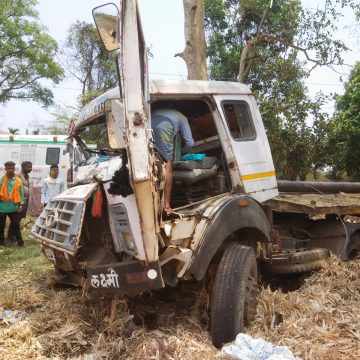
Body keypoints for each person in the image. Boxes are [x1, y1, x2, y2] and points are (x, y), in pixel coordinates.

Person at [151, 108, 194, 215]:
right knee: (168, 166)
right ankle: (166, 205)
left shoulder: (168, 112)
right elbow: (189, 142)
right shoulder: (183, 118)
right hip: (163, 127)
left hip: (149, 122)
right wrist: (182, 154)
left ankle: (154, 201)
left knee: (153, 160)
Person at [0, 161, 24, 246]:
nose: (10, 170)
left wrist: (21, 204)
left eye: (12, 168)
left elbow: (21, 193)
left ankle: (20, 242)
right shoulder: (1, 179)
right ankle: (1, 242)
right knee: (1, 225)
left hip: (13, 206)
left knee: (16, 224)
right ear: (5, 169)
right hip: (2, 206)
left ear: (14, 169)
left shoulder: (18, 180)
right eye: (8, 168)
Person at [7, 161, 33, 242]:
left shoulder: (27, 176)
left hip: (24, 201)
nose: (30, 169)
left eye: (30, 167)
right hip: (18, 202)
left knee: (18, 219)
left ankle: (12, 236)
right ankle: (9, 237)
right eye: (28, 167)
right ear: (23, 167)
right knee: (15, 220)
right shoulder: (18, 175)